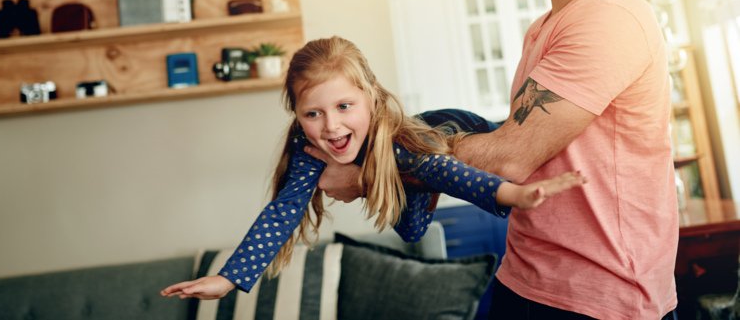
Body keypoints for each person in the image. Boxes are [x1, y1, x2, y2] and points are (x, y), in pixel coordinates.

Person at [308, 0, 678, 320]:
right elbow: (528, 141)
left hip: (599, 298)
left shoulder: (610, 20)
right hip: (529, 277)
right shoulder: (544, 28)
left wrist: (374, 165)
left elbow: (509, 157)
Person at [160, 36, 586, 301]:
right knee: (412, 230)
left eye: (345, 106)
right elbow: (283, 211)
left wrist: (514, 193)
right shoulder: (307, 147)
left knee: (426, 166)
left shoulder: (398, 142)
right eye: (313, 114)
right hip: (410, 171)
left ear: (371, 98)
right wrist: (228, 279)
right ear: (297, 115)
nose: (332, 126)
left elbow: (454, 176)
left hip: (454, 129)